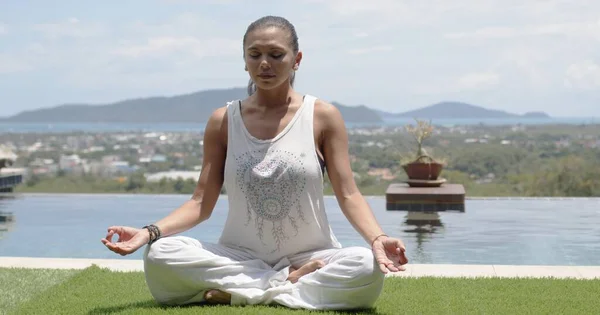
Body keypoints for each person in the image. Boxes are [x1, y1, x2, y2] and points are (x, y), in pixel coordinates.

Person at [101, 15, 408, 310]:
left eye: (276, 55)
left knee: (366, 265)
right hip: (238, 257)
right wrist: (148, 233)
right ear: (244, 60)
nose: (264, 64)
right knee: (161, 254)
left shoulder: (322, 116)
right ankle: (286, 286)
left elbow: (349, 193)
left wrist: (378, 239)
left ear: (296, 59)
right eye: (255, 54)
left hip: (311, 255)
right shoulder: (222, 121)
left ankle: (241, 293)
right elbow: (200, 203)